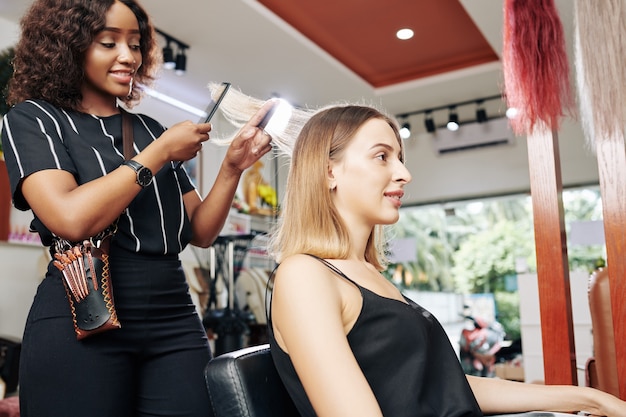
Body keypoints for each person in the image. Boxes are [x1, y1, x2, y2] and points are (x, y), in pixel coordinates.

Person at [0, 0, 274, 416]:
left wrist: (233, 168)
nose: (128, 56)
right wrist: (159, 153)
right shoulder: (33, 120)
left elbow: (200, 231)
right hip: (84, 316)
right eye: (108, 42)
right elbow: (71, 219)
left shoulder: (149, 129)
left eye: (135, 43)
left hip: (174, 317)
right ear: (68, 47)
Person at [265, 104, 626, 417]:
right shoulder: (304, 275)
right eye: (381, 156)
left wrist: (589, 397)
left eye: (400, 159)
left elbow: (444, 386)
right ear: (330, 171)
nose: (404, 174)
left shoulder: (366, 274)